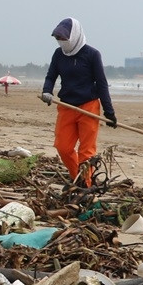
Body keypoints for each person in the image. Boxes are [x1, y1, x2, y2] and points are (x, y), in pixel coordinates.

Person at [39, 18, 116, 186]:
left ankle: (85, 184)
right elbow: (51, 76)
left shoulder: (92, 54)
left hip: (88, 107)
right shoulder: (59, 54)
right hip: (66, 106)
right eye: (58, 38)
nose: (61, 41)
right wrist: (47, 91)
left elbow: (101, 83)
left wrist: (109, 112)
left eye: (64, 38)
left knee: (86, 151)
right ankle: (78, 178)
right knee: (63, 147)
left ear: (75, 35)